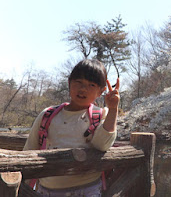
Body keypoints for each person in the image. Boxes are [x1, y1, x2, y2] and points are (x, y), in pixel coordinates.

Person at [23, 59, 120, 196]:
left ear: (101, 91)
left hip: (87, 190)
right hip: (46, 191)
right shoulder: (47, 115)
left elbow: (102, 144)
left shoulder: (101, 115)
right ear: (69, 83)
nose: (83, 89)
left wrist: (113, 109)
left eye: (91, 85)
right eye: (78, 82)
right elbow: (29, 152)